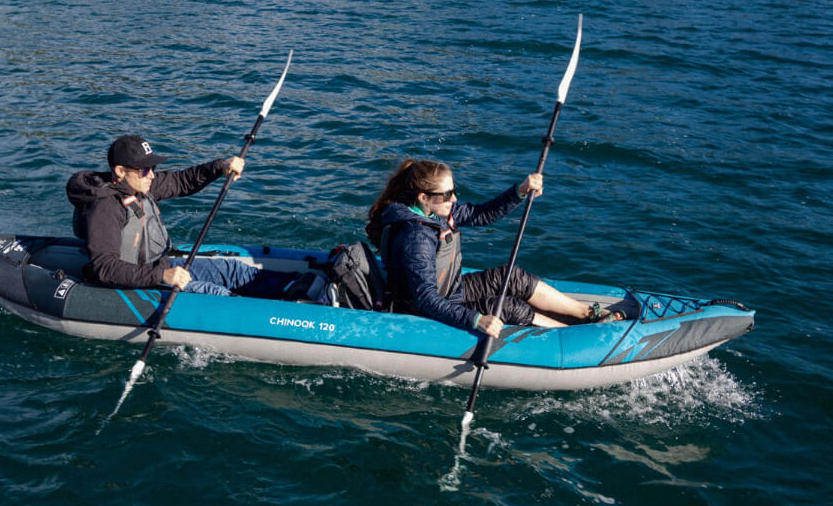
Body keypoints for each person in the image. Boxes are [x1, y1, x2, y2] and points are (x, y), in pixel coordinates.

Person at [365, 159, 624, 337]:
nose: (453, 199)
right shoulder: (415, 237)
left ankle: (588, 315)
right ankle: (574, 337)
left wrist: (520, 192)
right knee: (508, 307)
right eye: (447, 195)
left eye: (454, 191)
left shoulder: (435, 212)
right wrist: (476, 320)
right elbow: (425, 299)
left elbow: (481, 214)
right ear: (423, 198)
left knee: (512, 277)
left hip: (450, 291)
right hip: (423, 310)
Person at [67, 135, 322, 299]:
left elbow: (182, 181)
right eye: (145, 169)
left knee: (233, 271)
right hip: (141, 279)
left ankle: (307, 288)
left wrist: (220, 167)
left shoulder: (140, 185)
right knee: (215, 294)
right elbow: (105, 268)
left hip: (161, 265)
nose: (153, 175)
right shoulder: (104, 208)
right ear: (120, 171)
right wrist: (161, 277)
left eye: (153, 167)